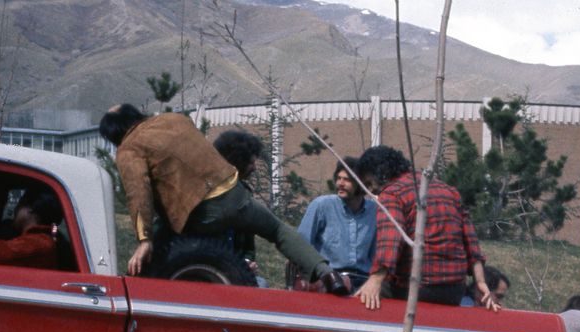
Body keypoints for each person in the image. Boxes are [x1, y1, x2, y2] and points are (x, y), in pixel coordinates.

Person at [98, 104, 338, 289]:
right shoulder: (174, 119)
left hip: (198, 213)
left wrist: (144, 240)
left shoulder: (128, 149)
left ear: (112, 135)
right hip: (235, 194)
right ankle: (325, 272)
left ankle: (135, 289)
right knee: (277, 230)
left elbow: (138, 193)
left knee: (158, 251)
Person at [353, 145, 497, 310]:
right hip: (454, 290)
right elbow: (471, 242)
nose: (371, 190)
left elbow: (391, 239)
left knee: (364, 297)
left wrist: (375, 280)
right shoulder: (449, 191)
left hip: (415, 288)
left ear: (380, 172)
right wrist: (480, 282)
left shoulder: (391, 194)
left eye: (369, 183)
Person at [296, 158, 376, 295]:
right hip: (329, 279)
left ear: (361, 184)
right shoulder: (322, 206)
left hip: (364, 281)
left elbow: (376, 255)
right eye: (338, 178)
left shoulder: (375, 211)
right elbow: (300, 246)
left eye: (347, 180)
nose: (340, 183)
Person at [211, 129, 266, 283]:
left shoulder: (245, 197)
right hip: (207, 270)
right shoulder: (206, 196)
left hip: (235, 273)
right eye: (250, 163)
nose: (254, 168)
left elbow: (248, 247)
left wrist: (247, 262)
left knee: (261, 284)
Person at [0, 188, 65, 269]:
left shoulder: (39, 243)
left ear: (29, 210)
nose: (16, 210)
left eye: (19, 205)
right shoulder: (46, 239)